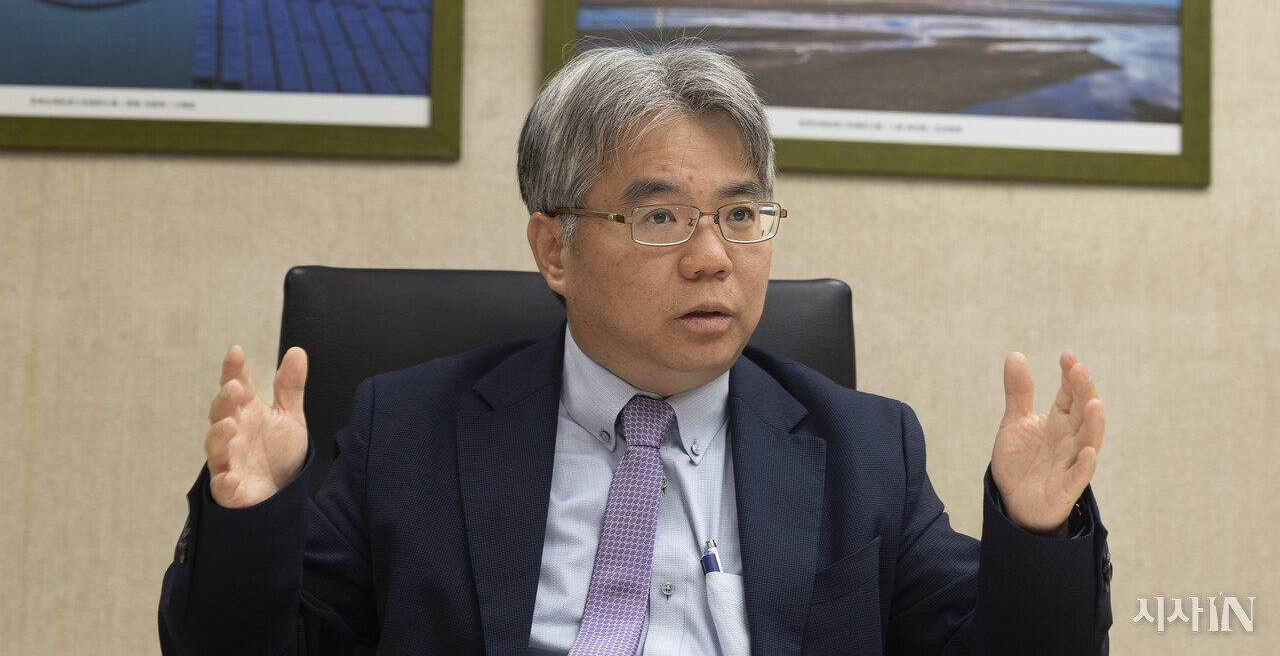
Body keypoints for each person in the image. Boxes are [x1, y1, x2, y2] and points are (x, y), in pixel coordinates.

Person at [159, 43, 1111, 655]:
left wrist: (1038, 536)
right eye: (659, 217)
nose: (713, 257)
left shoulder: (866, 447)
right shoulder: (407, 431)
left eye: (741, 214)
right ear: (554, 250)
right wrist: (251, 519)